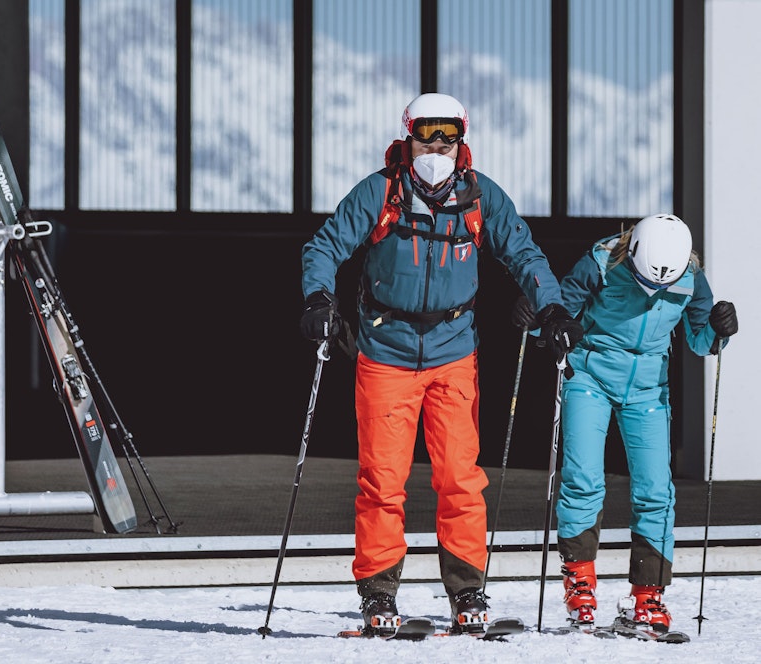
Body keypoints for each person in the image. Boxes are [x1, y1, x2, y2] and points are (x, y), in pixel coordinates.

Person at [299, 92, 582, 636]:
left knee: (460, 478)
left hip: (454, 352)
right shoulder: (380, 191)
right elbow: (325, 247)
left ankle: (467, 589)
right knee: (383, 480)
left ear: (462, 138)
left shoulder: (479, 196)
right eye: (426, 134)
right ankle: (378, 594)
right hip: (387, 352)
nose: (437, 146)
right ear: (407, 137)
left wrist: (553, 307)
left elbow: (524, 253)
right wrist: (317, 298)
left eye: (447, 135)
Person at [514, 213, 738, 633]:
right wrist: (536, 323)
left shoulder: (690, 278)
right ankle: (579, 582)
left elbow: (700, 338)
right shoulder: (600, 262)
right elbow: (559, 318)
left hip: (648, 387)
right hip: (590, 376)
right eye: (644, 283)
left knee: (656, 490)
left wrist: (719, 329)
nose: (653, 293)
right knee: (583, 479)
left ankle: (648, 595)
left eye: (661, 289)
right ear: (632, 255)